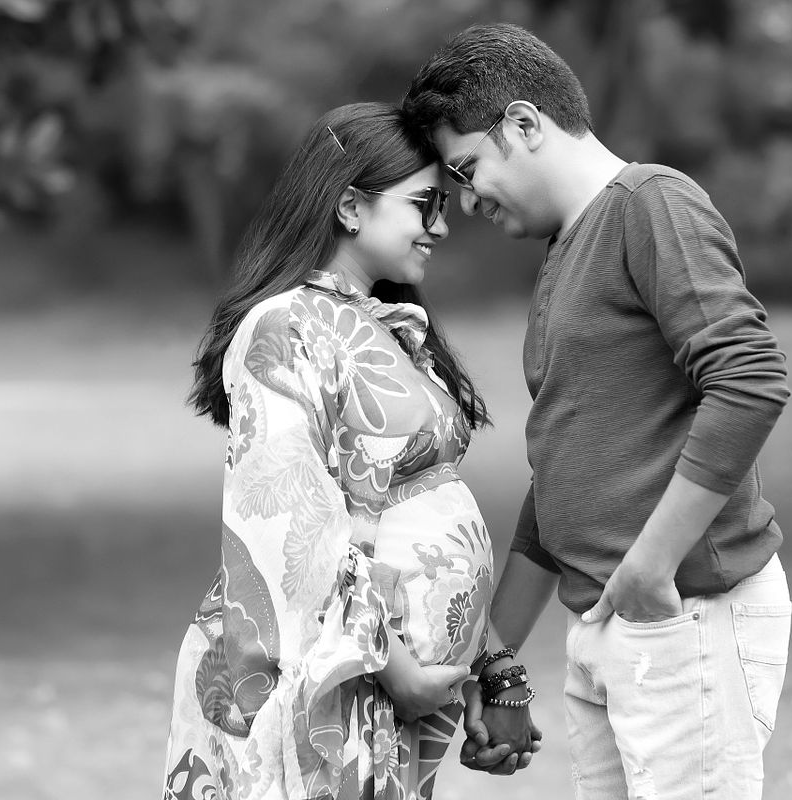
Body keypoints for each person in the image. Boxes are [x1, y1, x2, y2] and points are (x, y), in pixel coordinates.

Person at [401, 23, 792, 799]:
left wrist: (650, 565)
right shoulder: (566, 252)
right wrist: (496, 663)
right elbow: (564, 476)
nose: (468, 200)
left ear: (523, 123)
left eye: (468, 169)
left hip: (683, 612)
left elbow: (749, 377)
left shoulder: (650, 204)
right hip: (610, 621)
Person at [163, 102, 539, 800]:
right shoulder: (284, 329)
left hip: (396, 702)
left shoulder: (390, 327)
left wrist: (494, 670)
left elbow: (426, 510)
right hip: (333, 692)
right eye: (424, 205)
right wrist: (396, 669)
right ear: (349, 206)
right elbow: (290, 531)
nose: (442, 226)